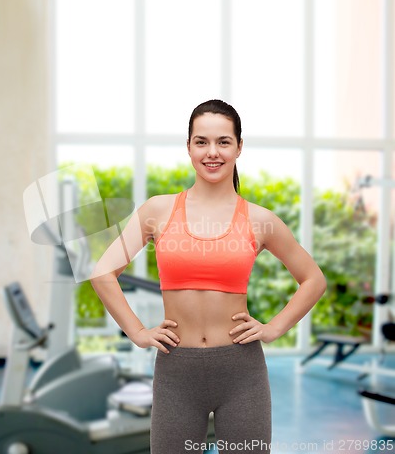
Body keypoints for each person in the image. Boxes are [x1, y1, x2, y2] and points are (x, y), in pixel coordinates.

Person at [90, 99, 327, 454]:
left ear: (239, 147)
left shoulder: (260, 219)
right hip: (176, 373)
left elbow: (313, 279)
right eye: (201, 141)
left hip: (242, 372)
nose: (211, 152)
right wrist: (137, 332)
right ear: (188, 147)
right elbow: (102, 272)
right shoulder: (159, 210)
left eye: (223, 141)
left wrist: (275, 327)